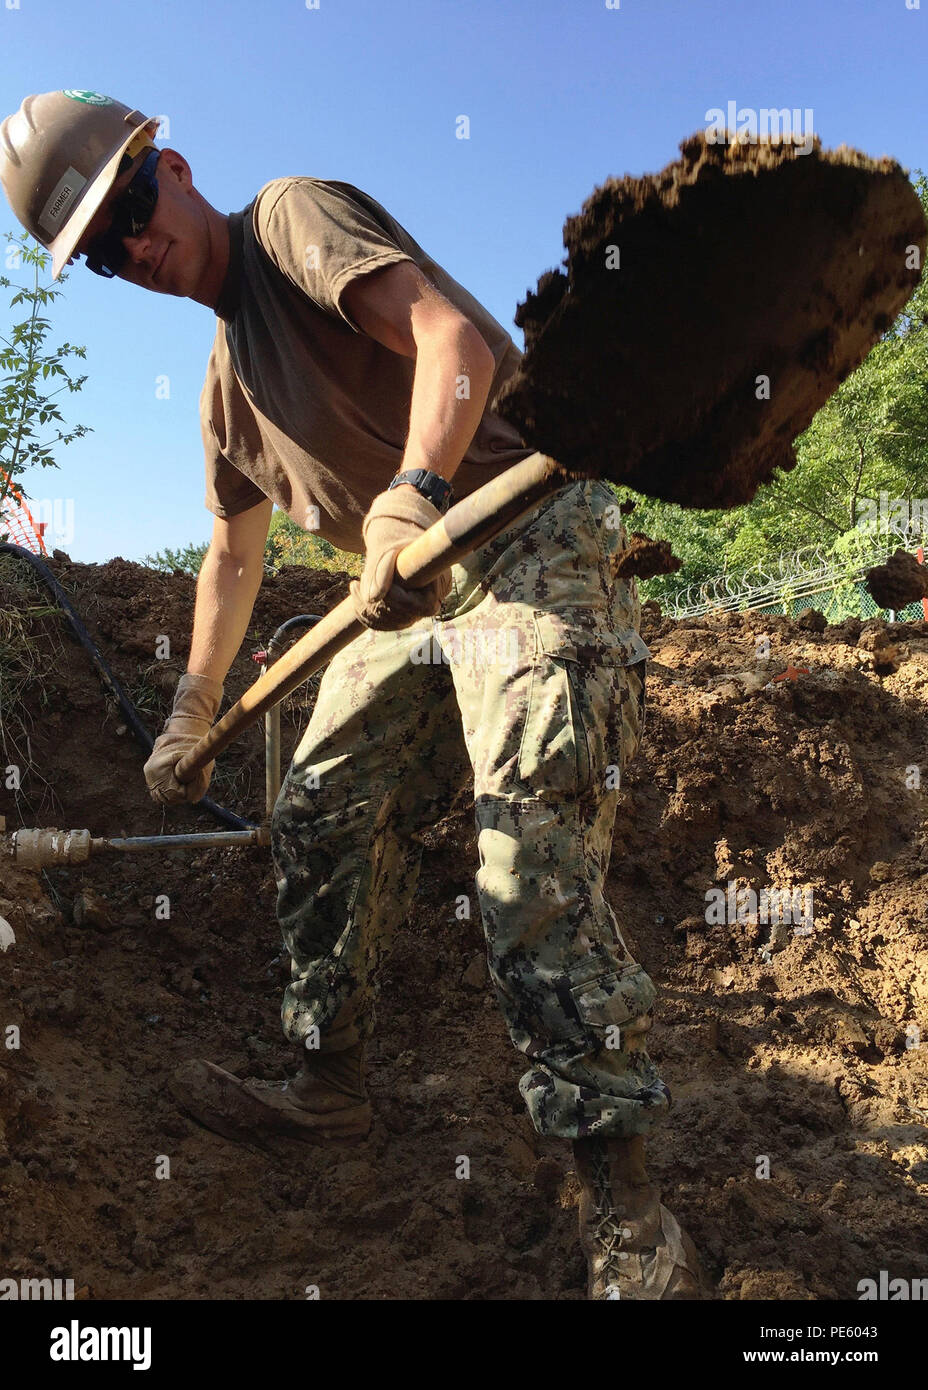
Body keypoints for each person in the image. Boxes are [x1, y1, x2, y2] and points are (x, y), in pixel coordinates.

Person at [1, 89, 706, 1300]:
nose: (135, 252)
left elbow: (452, 341)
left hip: (527, 533)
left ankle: (625, 1202)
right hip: (408, 595)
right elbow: (231, 557)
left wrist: (413, 492)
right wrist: (193, 705)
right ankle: (326, 1084)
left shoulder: (288, 223)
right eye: (105, 259)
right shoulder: (227, 390)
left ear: (169, 165)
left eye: (129, 213)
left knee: (524, 853)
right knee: (318, 805)